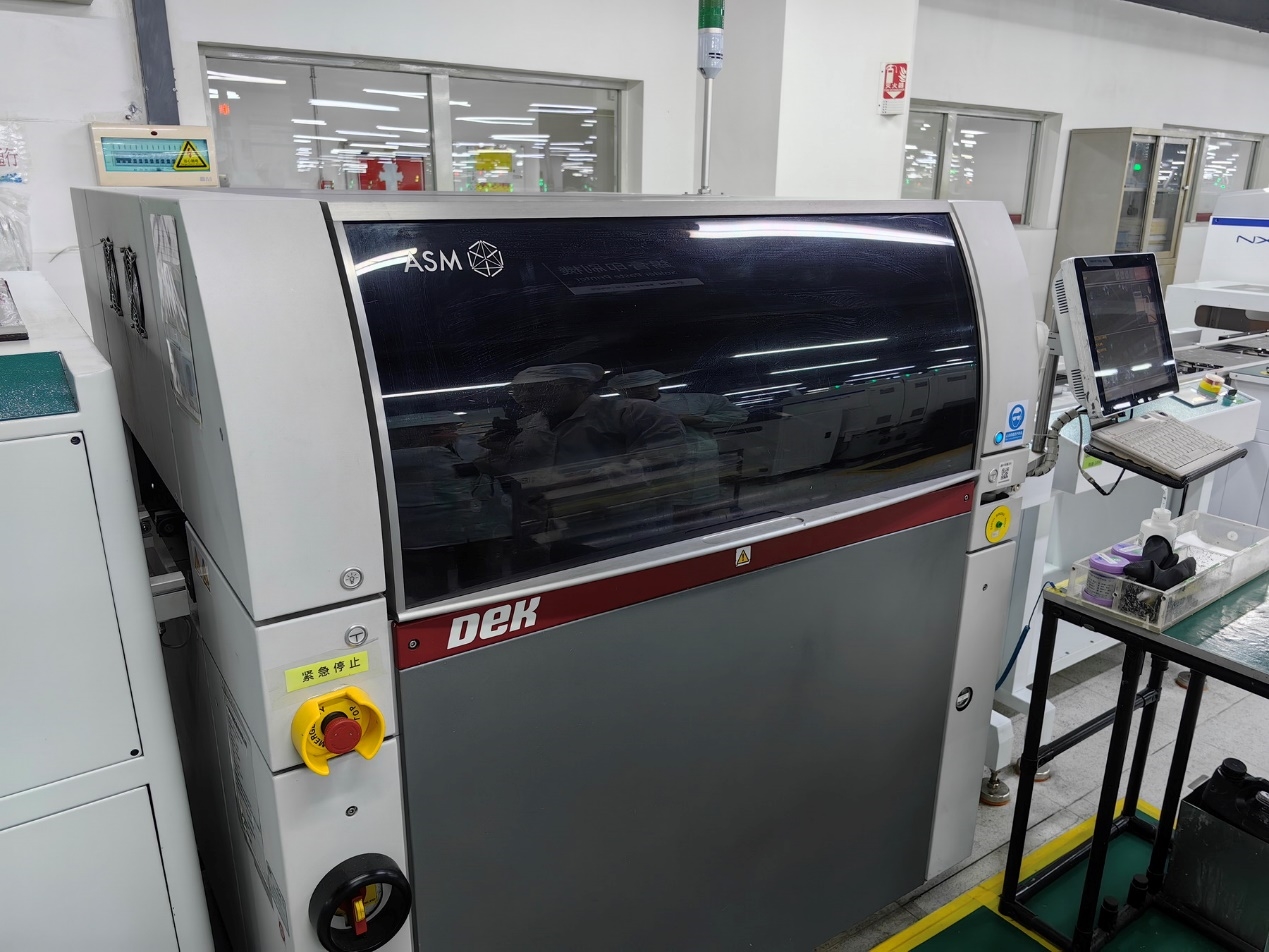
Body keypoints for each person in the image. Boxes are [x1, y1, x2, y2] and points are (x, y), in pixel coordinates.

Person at [479, 363, 687, 553]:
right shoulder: (529, 426)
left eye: (537, 388)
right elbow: (518, 475)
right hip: (551, 535)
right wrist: (500, 452)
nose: (524, 396)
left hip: (622, 533)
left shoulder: (633, 412)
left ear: (580, 386)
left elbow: (661, 461)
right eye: (518, 391)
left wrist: (577, 482)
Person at [389, 410, 510, 600]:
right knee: (478, 581)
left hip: (414, 536)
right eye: (445, 429)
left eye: (453, 428)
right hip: (453, 529)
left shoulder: (393, 455)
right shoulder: (431, 453)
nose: (454, 433)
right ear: (423, 433)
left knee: (428, 588)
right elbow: (462, 483)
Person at [610, 370, 748, 510]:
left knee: (693, 509)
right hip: (646, 466)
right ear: (622, 391)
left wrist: (699, 420)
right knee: (656, 508)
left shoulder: (696, 400)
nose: (643, 390)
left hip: (696, 465)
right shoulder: (615, 409)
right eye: (635, 388)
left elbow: (739, 415)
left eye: (648, 385)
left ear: (659, 383)